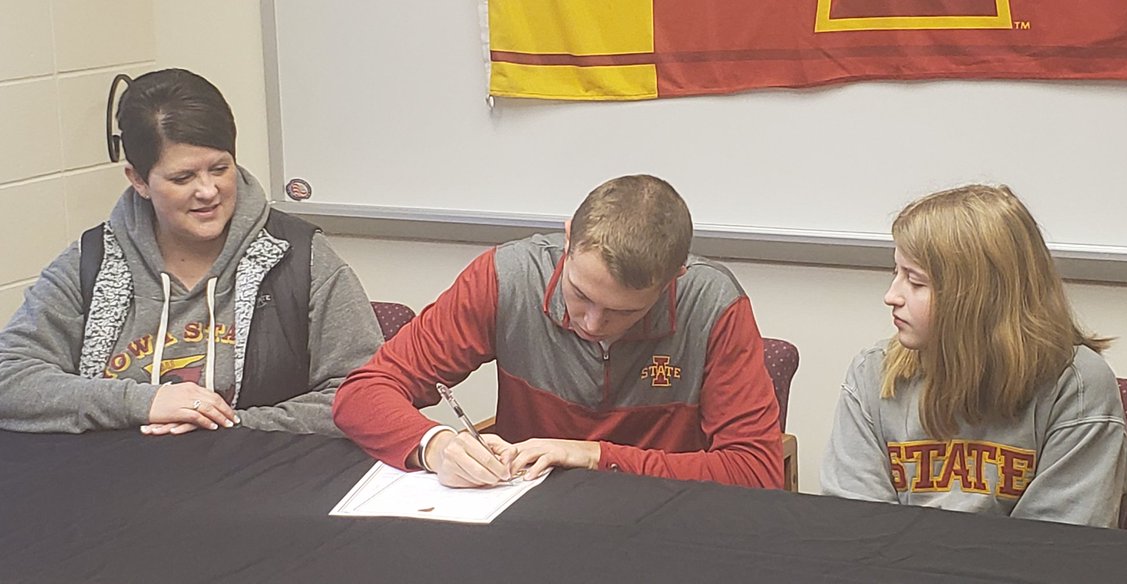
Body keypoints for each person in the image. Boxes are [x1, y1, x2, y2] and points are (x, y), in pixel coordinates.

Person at [333, 175, 783, 489]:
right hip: (530, 511)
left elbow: (755, 473)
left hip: (662, 516)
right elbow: (363, 392)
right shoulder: (507, 278)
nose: (592, 323)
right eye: (580, 294)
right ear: (568, 239)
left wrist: (593, 456)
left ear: (674, 278)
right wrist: (436, 445)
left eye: (623, 311)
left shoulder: (712, 304)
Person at [0, 68, 381, 436]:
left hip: (255, 465)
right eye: (183, 178)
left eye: (220, 168)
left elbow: (368, 394)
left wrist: (224, 424)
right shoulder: (91, 262)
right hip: (117, 472)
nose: (208, 191)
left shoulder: (300, 257)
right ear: (138, 180)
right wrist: (142, 402)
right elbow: (10, 377)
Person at [820, 184, 1127, 527]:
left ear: (978, 297)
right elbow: (855, 523)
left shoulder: (1076, 386)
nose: (891, 296)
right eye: (896, 272)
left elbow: (1058, 541)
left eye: (916, 281)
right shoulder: (873, 372)